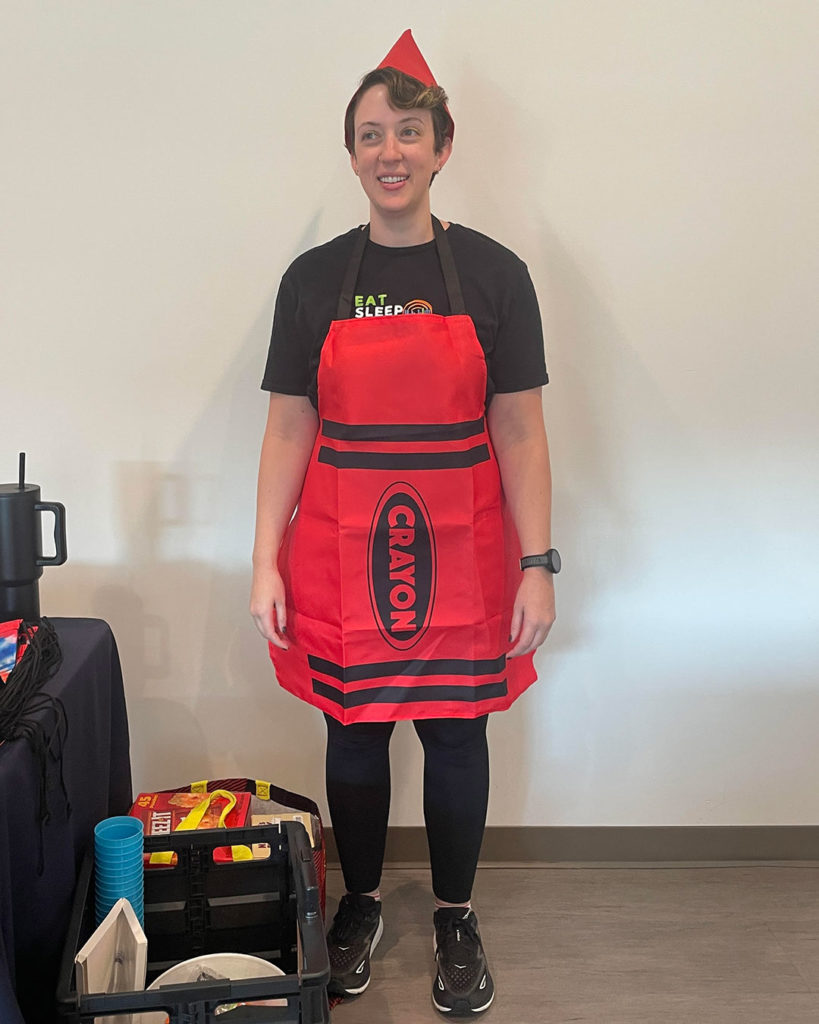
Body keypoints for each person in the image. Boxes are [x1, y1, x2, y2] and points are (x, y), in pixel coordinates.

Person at [251, 29, 558, 1018]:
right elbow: (288, 429)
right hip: (341, 544)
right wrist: (265, 561)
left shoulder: (497, 275)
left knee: (455, 730)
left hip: (464, 545)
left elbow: (519, 430)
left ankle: (457, 916)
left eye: (409, 131)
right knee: (354, 732)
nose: (391, 150)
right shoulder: (311, 282)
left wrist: (538, 562)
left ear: (441, 146)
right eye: (371, 134)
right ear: (351, 155)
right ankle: (362, 904)